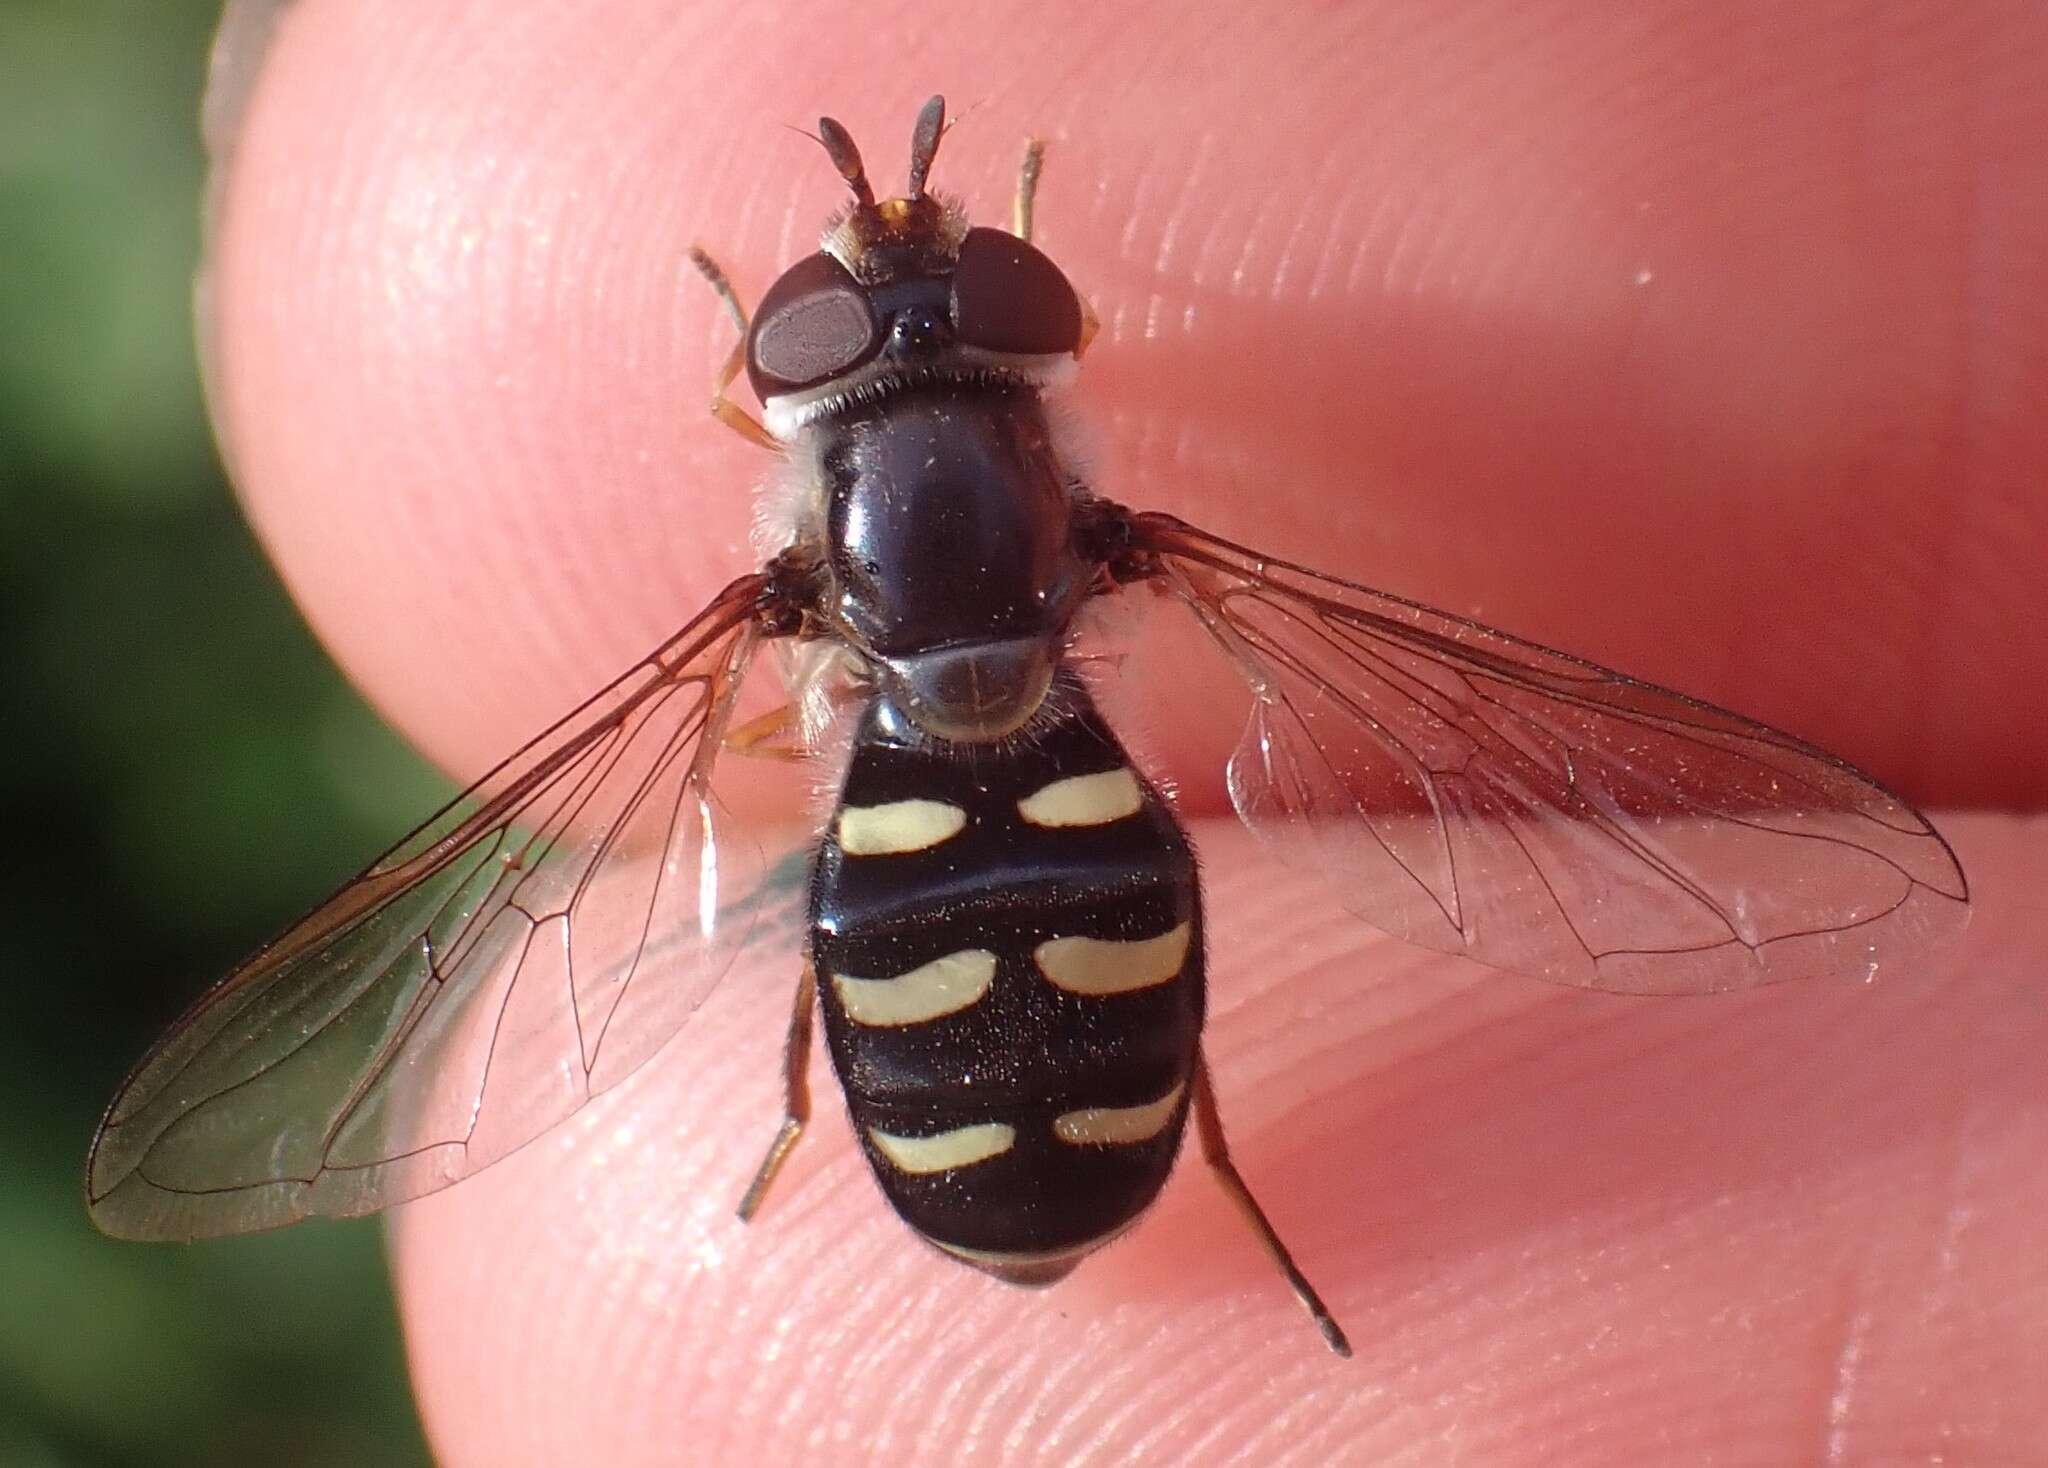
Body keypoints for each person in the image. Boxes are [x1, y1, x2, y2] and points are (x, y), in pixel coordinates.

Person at [202, 3, 2045, 1461]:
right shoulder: (1114, 532)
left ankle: (802, 1120)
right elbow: (1543, 743)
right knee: (1060, 858)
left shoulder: (776, 570)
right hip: (1043, 889)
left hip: (922, 910)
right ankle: (1202, 1159)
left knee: (855, 868)